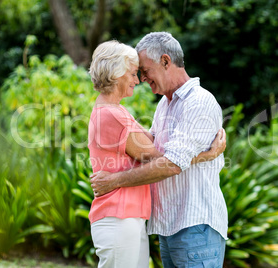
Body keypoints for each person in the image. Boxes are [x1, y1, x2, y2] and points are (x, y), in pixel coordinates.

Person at [90, 32, 228, 268]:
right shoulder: (162, 105)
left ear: (165, 61)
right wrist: (207, 155)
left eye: (143, 70)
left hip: (194, 225)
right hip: (166, 227)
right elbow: (160, 156)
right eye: (136, 73)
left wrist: (115, 180)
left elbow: (171, 162)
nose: (141, 78)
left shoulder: (199, 102)